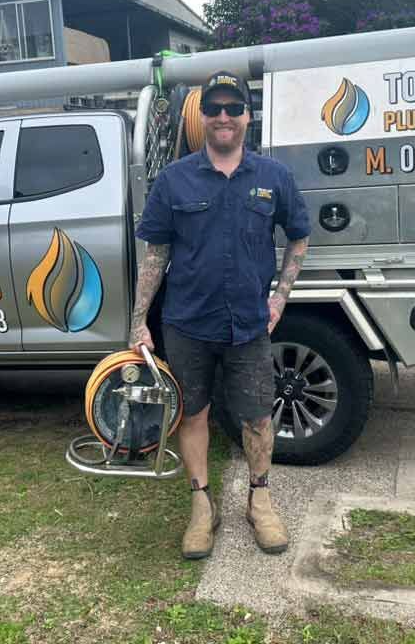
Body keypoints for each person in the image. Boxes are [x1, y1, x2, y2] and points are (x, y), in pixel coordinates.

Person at [130, 71, 311, 559]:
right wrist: (138, 320)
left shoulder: (275, 177)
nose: (224, 117)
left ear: (248, 117)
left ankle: (261, 501)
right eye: (214, 109)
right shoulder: (174, 180)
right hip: (187, 324)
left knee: (256, 417)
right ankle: (201, 508)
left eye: (234, 108)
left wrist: (280, 297)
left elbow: (299, 236)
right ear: (202, 117)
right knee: (193, 414)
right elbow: (156, 255)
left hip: (249, 325)